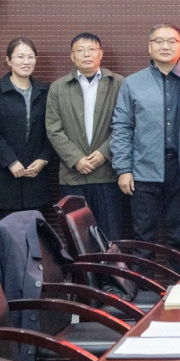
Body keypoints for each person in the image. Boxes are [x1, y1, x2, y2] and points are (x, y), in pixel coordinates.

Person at [111, 24, 180, 258]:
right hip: (144, 170)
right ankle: (142, 282)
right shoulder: (132, 83)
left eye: (172, 41)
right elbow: (122, 127)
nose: (166, 46)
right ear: (149, 47)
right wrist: (123, 169)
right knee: (143, 238)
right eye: (159, 41)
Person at [45, 32, 125, 239]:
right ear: (72, 56)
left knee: (111, 235)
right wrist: (76, 159)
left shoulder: (118, 83)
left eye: (91, 49)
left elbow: (125, 125)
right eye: (80, 50)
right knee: (77, 238)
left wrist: (104, 153)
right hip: (73, 176)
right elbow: (53, 129)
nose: (86, 54)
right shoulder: (58, 87)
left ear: (101, 53)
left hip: (108, 174)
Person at [0, 38, 53, 222]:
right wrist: (10, 162)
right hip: (4, 178)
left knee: (35, 233)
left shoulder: (46, 91)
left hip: (35, 177)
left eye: (31, 57)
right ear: (8, 60)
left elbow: (53, 128)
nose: (26, 62)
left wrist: (44, 158)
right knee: (6, 233)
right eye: (20, 57)